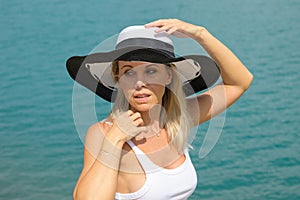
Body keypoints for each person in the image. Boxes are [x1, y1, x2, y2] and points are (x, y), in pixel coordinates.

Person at [66, 19, 253, 200]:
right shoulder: (104, 132)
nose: (139, 83)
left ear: (168, 76)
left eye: (151, 71)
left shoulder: (178, 118)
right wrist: (115, 139)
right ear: (118, 79)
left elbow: (240, 83)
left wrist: (201, 34)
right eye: (128, 72)